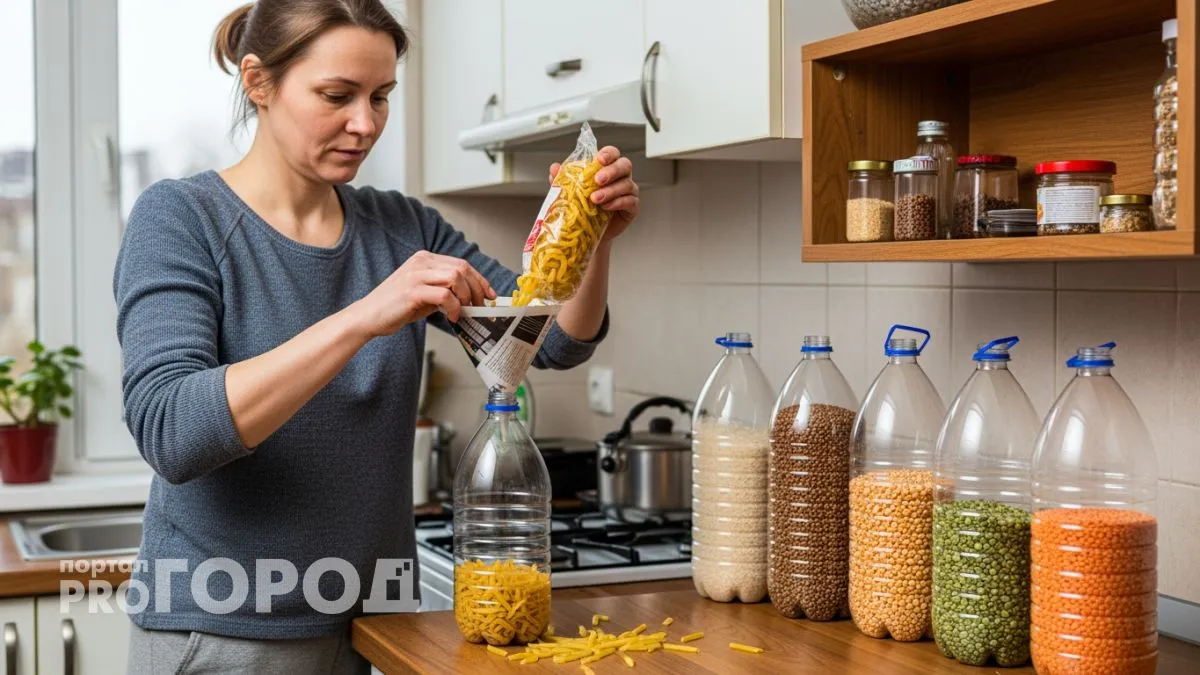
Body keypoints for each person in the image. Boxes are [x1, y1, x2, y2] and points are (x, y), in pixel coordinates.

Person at [113, 1, 638, 673]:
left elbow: (549, 342)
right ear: (258, 81)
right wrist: (365, 315)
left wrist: (594, 240)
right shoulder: (182, 219)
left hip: (373, 626)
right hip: (222, 633)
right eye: (337, 96)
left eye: (381, 97)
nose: (365, 124)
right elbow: (172, 431)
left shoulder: (402, 227)